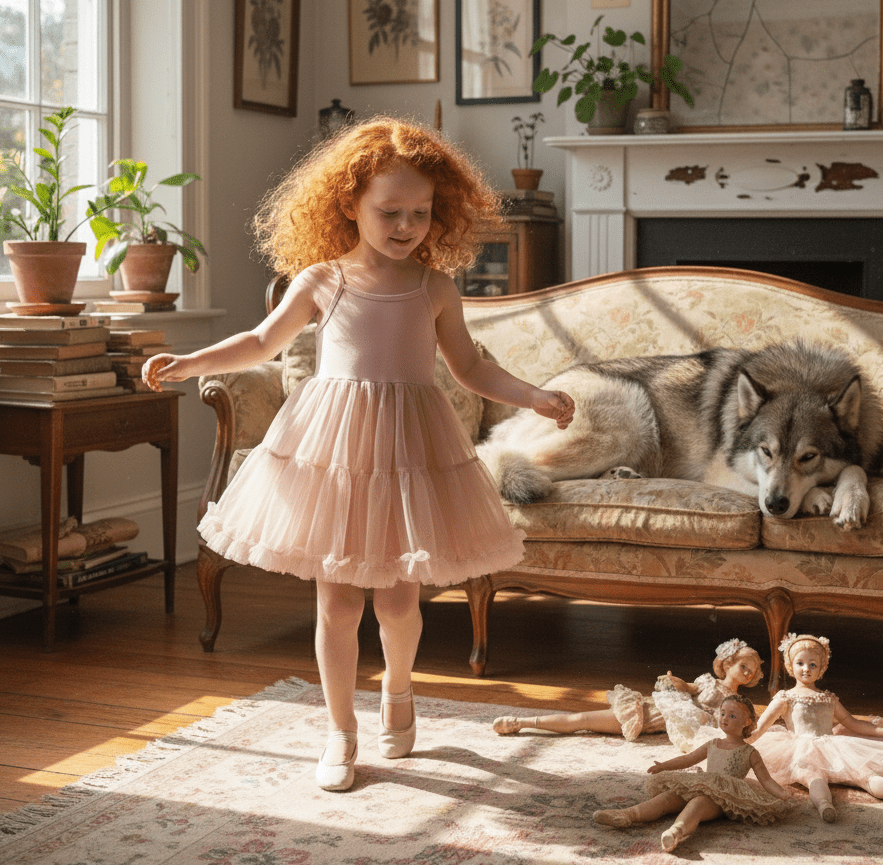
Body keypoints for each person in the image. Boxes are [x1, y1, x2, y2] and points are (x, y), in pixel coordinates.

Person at [141, 118, 575, 792]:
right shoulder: (323, 280)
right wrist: (191, 360)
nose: (406, 226)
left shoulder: (434, 287)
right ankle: (340, 733)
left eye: (421, 213)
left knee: (399, 602)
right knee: (338, 606)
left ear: (440, 213)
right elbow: (260, 343)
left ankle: (398, 692)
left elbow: (468, 367)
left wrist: (533, 396)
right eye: (389, 212)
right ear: (349, 204)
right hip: (334, 447)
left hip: (410, 447)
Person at [748, 633, 883, 822]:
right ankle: (824, 805)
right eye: (800, 663)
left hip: (833, 746)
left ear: (821, 668)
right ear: (790, 665)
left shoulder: (829, 698)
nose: (806, 669)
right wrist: (745, 740)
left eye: (812, 664)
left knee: (863, 773)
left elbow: (852, 723)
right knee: (812, 775)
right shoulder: (785, 697)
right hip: (800, 749)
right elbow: (761, 727)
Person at [593, 694, 799, 854]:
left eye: (733, 716)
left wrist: (781, 795)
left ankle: (676, 832)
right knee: (668, 797)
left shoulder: (749, 752)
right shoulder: (712, 744)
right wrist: (664, 765)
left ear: (747, 722)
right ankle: (627, 815)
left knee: (698, 804)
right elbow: (688, 759)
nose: (725, 719)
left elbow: (766, 780)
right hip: (700, 783)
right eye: (723, 713)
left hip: (722, 797)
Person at [491, 638, 763, 749]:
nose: (748, 674)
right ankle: (520, 723)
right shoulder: (707, 682)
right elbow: (687, 688)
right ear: (727, 664)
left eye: (752, 671)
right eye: (743, 666)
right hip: (647, 710)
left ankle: (522, 723)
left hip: (656, 724)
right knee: (583, 720)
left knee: (584, 723)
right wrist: (673, 681)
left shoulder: (738, 703)